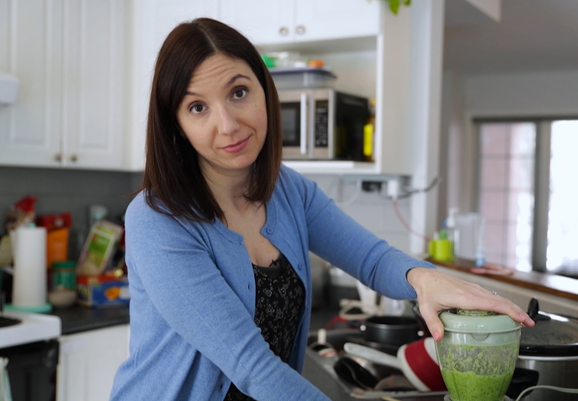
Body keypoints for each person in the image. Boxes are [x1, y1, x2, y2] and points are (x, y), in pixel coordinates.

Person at [109, 17, 534, 401]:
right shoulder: (158, 221)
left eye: (239, 92)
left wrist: (426, 280)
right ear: (176, 126)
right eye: (197, 107)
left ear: (264, 90)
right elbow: (250, 365)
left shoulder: (289, 191)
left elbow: (371, 259)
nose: (228, 124)